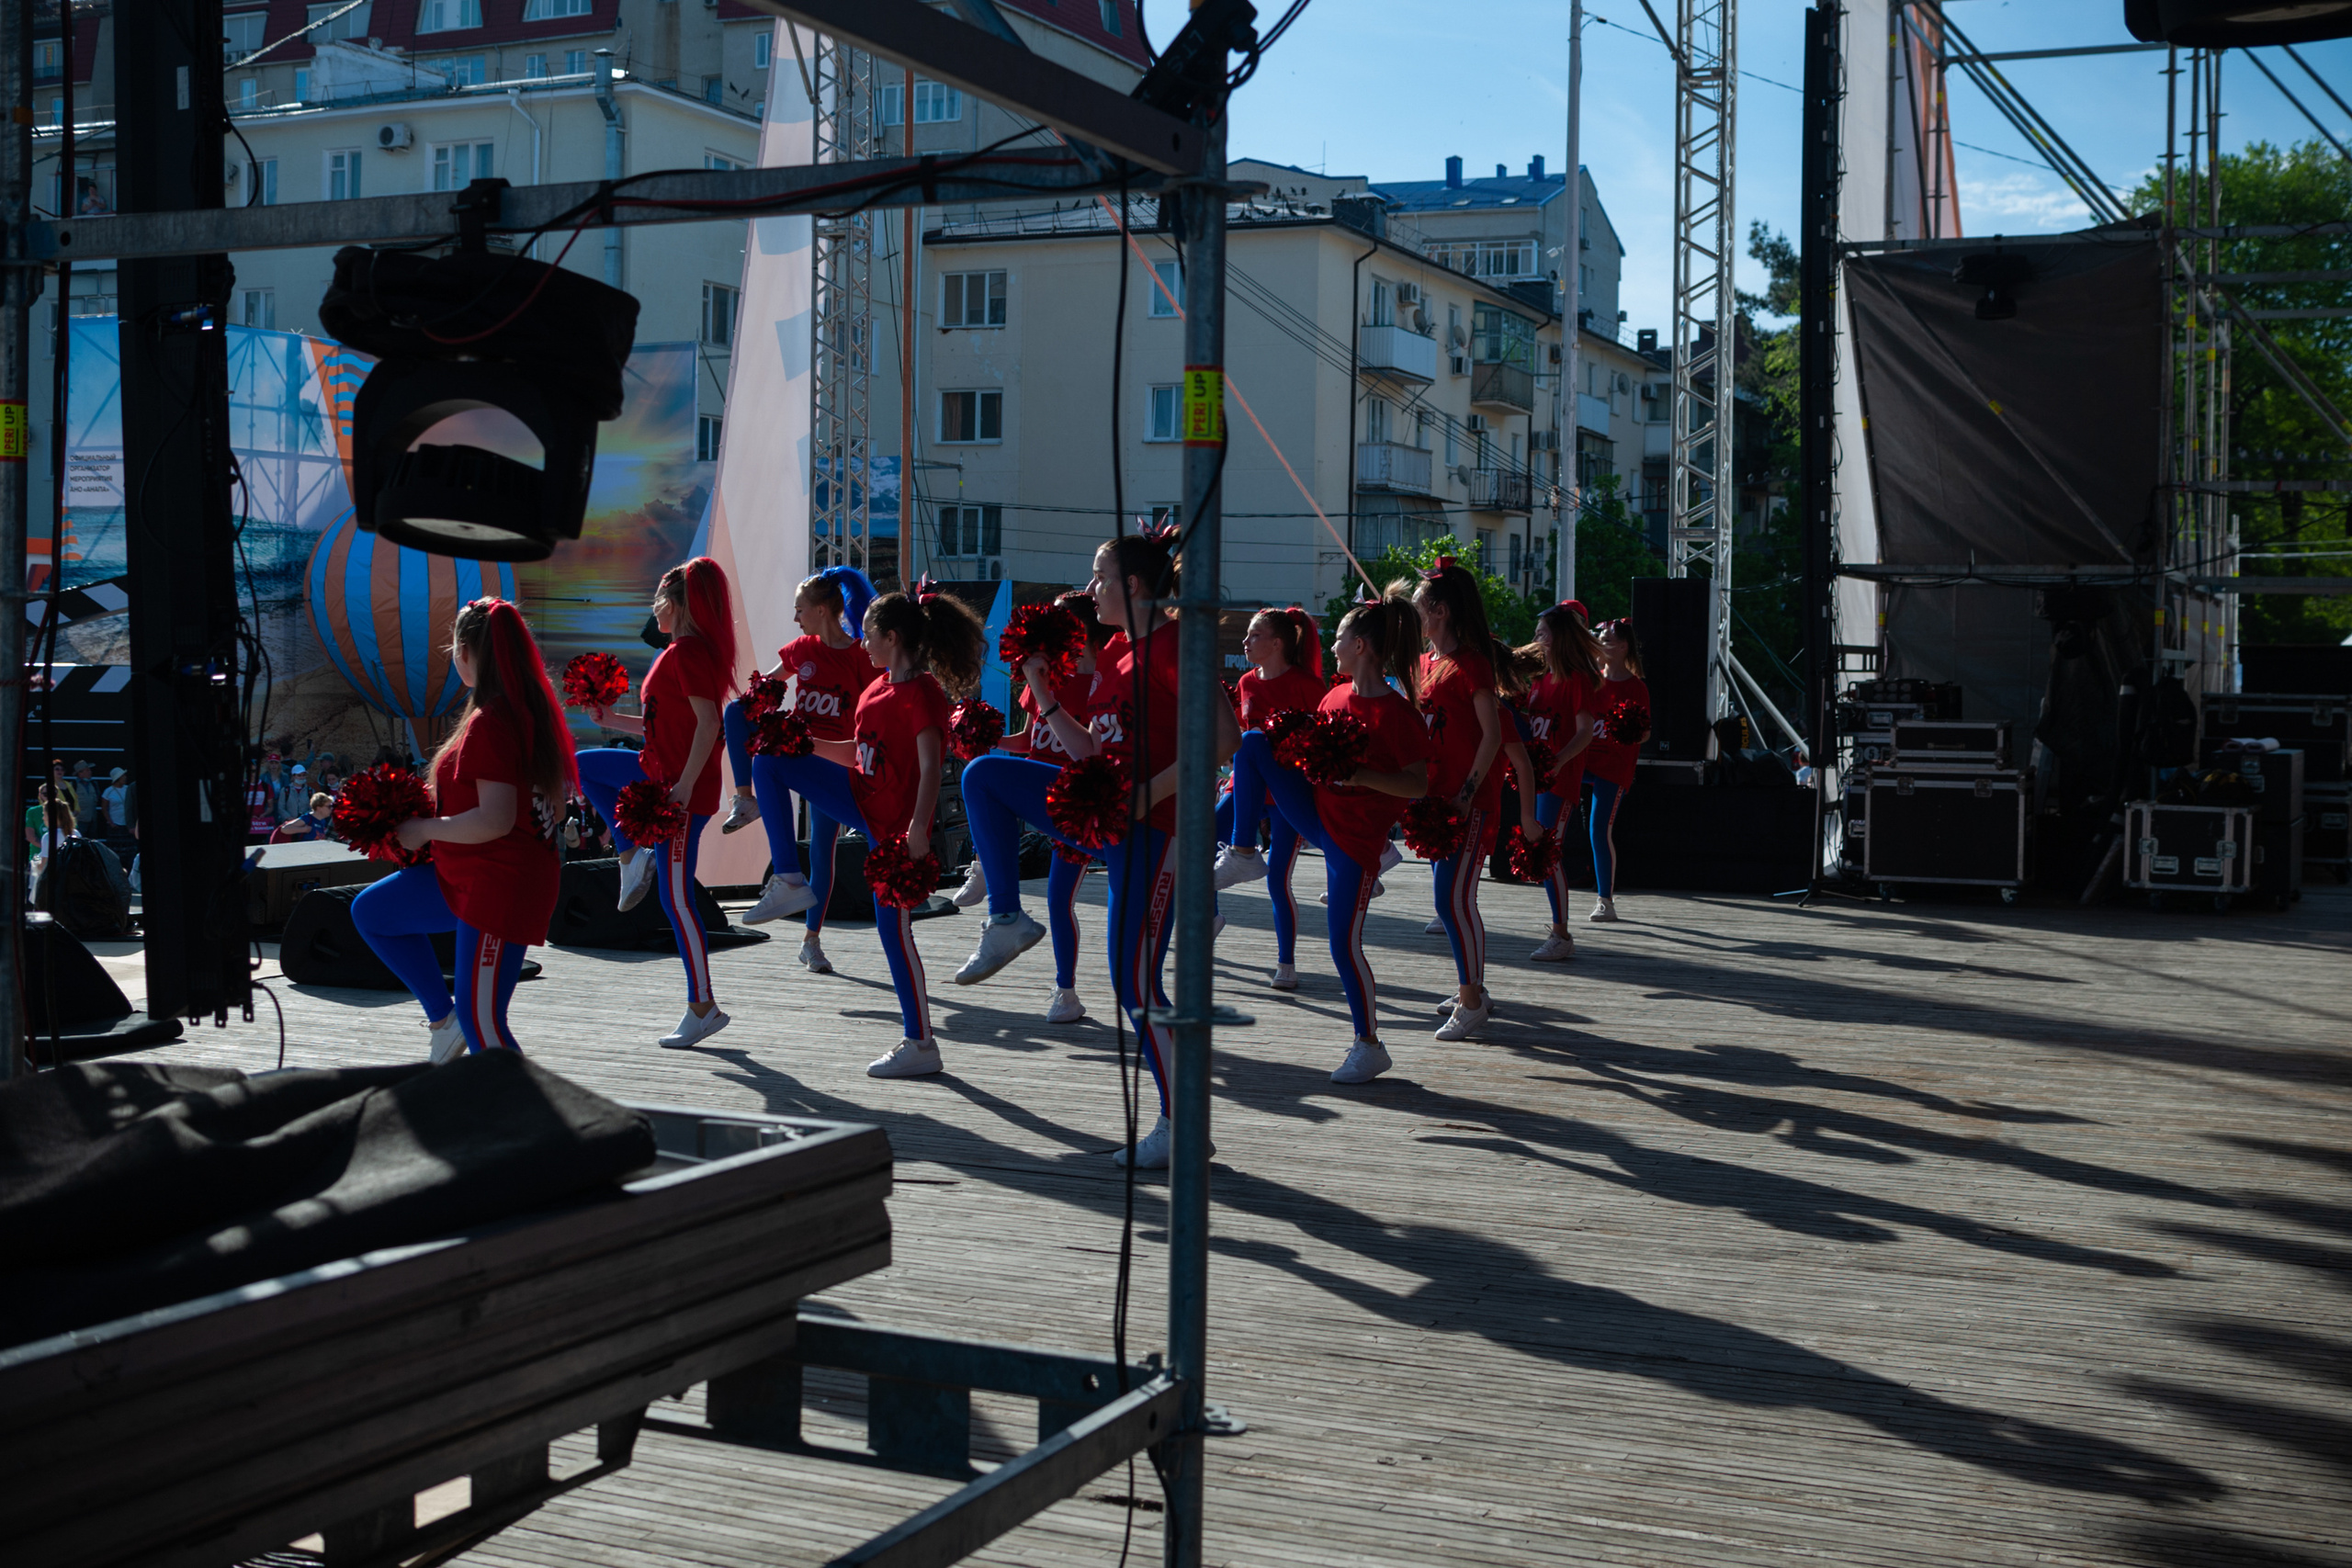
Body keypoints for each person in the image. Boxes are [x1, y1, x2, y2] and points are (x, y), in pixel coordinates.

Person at [956, 529, 1241, 1168]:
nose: (1090, 588)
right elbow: (1090, 750)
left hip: (1161, 831)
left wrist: (1147, 794)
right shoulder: (1115, 653)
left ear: (1131, 585)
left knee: (1134, 981)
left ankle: (1183, 1125)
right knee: (984, 775)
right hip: (1114, 819)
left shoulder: (1176, 643)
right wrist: (1044, 694)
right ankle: (1007, 917)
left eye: (1099, 577)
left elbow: (1224, 739)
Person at [751, 586, 986, 1075]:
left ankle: (921, 1044)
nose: (863, 643)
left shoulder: (923, 693)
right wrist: (801, 740)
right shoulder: (875, 688)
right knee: (769, 759)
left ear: (891, 637)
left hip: (896, 828)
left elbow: (930, 766)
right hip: (859, 797)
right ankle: (789, 879)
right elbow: (855, 752)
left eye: (869, 635)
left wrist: (918, 828)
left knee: (892, 931)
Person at [351, 599, 572, 1062]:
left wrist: (422, 829)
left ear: (469, 651)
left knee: (483, 1020)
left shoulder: (493, 723)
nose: (452, 657)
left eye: (454, 647)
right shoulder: (522, 714)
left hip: (496, 885)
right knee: (373, 913)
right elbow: (547, 806)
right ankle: (443, 1019)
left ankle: (528, 1107)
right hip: (474, 875)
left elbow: (495, 820)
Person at [1229, 591, 1432, 1082]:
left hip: (1354, 843)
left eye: (1339, 638)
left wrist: (1360, 775)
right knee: (1252, 743)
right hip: (1317, 814)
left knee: (1343, 944)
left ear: (1360, 646)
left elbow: (1418, 784)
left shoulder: (1399, 713)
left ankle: (1369, 1045)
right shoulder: (1333, 697)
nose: (1332, 647)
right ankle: (1242, 850)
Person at [575, 558, 739, 1049]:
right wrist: (612, 720)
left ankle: (703, 1007)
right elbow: (663, 726)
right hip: (660, 774)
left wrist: (685, 786)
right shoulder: (682, 652)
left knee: (676, 899)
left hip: (677, 791)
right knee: (583, 767)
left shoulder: (687, 652)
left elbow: (710, 724)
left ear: (676, 604)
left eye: (657, 601)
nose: (653, 610)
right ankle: (630, 854)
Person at [952, 590, 1119, 1024]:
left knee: (1058, 899)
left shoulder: (1103, 678)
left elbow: (1094, 748)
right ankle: (987, 869)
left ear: (1078, 631)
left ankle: (1066, 991)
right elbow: (1030, 740)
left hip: (1077, 804)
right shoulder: (1042, 676)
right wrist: (986, 739)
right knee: (986, 788)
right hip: (1038, 794)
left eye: (1055, 624)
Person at [722, 565, 879, 968]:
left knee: (823, 852)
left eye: (799, 609)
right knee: (736, 712)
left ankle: (811, 941)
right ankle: (745, 799)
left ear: (822, 611)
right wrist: (753, 712)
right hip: (796, 755)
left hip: (834, 765)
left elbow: (873, 721)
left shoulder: (860, 657)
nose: (795, 618)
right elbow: (762, 693)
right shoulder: (802, 649)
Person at [1409, 557, 1539, 1043]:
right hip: (1434, 800)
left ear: (1440, 611)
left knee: (1453, 899)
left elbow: (1492, 736)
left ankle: (1471, 1001)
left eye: (1419, 607)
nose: (1416, 616)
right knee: (1452, 901)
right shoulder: (1424, 663)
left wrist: (1465, 795)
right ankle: (1473, 989)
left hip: (1468, 801)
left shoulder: (1472, 664)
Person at [1211, 607, 1333, 991]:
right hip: (1246, 789)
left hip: (1286, 793)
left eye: (1254, 635)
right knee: (1201, 839)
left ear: (1278, 643)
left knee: (1278, 880)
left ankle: (1286, 963)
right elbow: (1241, 737)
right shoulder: (1247, 682)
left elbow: (1323, 744)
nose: (1245, 642)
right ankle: (1210, 916)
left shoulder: (1307, 685)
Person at [1521, 602, 1604, 961]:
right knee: (1540, 852)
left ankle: (1561, 934)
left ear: (1558, 638)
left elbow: (1585, 732)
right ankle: (1559, 931)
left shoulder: (1576, 679)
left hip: (1559, 778)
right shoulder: (1539, 679)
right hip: (1535, 778)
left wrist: (1557, 762)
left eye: (1542, 633)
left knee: (1547, 852)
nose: (1536, 638)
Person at [1581, 617, 1653, 923]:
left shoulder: (1636, 688)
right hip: (1584, 765)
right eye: (1598, 638)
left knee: (1599, 830)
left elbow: (1645, 733)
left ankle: (1605, 901)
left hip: (1613, 769)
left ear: (1623, 647)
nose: (1599, 643)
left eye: (1606, 640)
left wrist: (1629, 732)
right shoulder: (1591, 681)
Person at [100, 767, 134, 851]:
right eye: (122, 776)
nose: (125, 778)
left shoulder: (128, 789)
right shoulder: (108, 791)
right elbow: (104, 808)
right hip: (115, 824)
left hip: (127, 824)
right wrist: (111, 823)